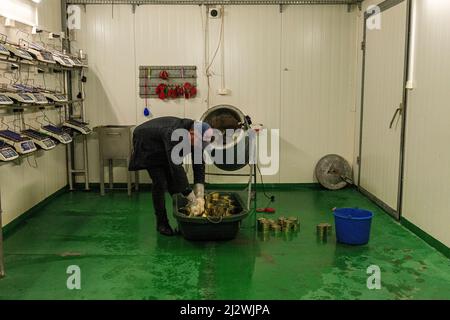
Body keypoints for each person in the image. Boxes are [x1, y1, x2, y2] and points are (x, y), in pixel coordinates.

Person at [129, 117, 213, 236]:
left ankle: (184, 221)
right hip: (147, 142)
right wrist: (190, 195)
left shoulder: (197, 136)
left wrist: (200, 194)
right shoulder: (174, 133)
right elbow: (176, 166)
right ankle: (161, 223)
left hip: (162, 144)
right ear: (192, 133)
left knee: (175, 185)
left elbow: (198, 165)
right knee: (160, 182)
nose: (199, 146)